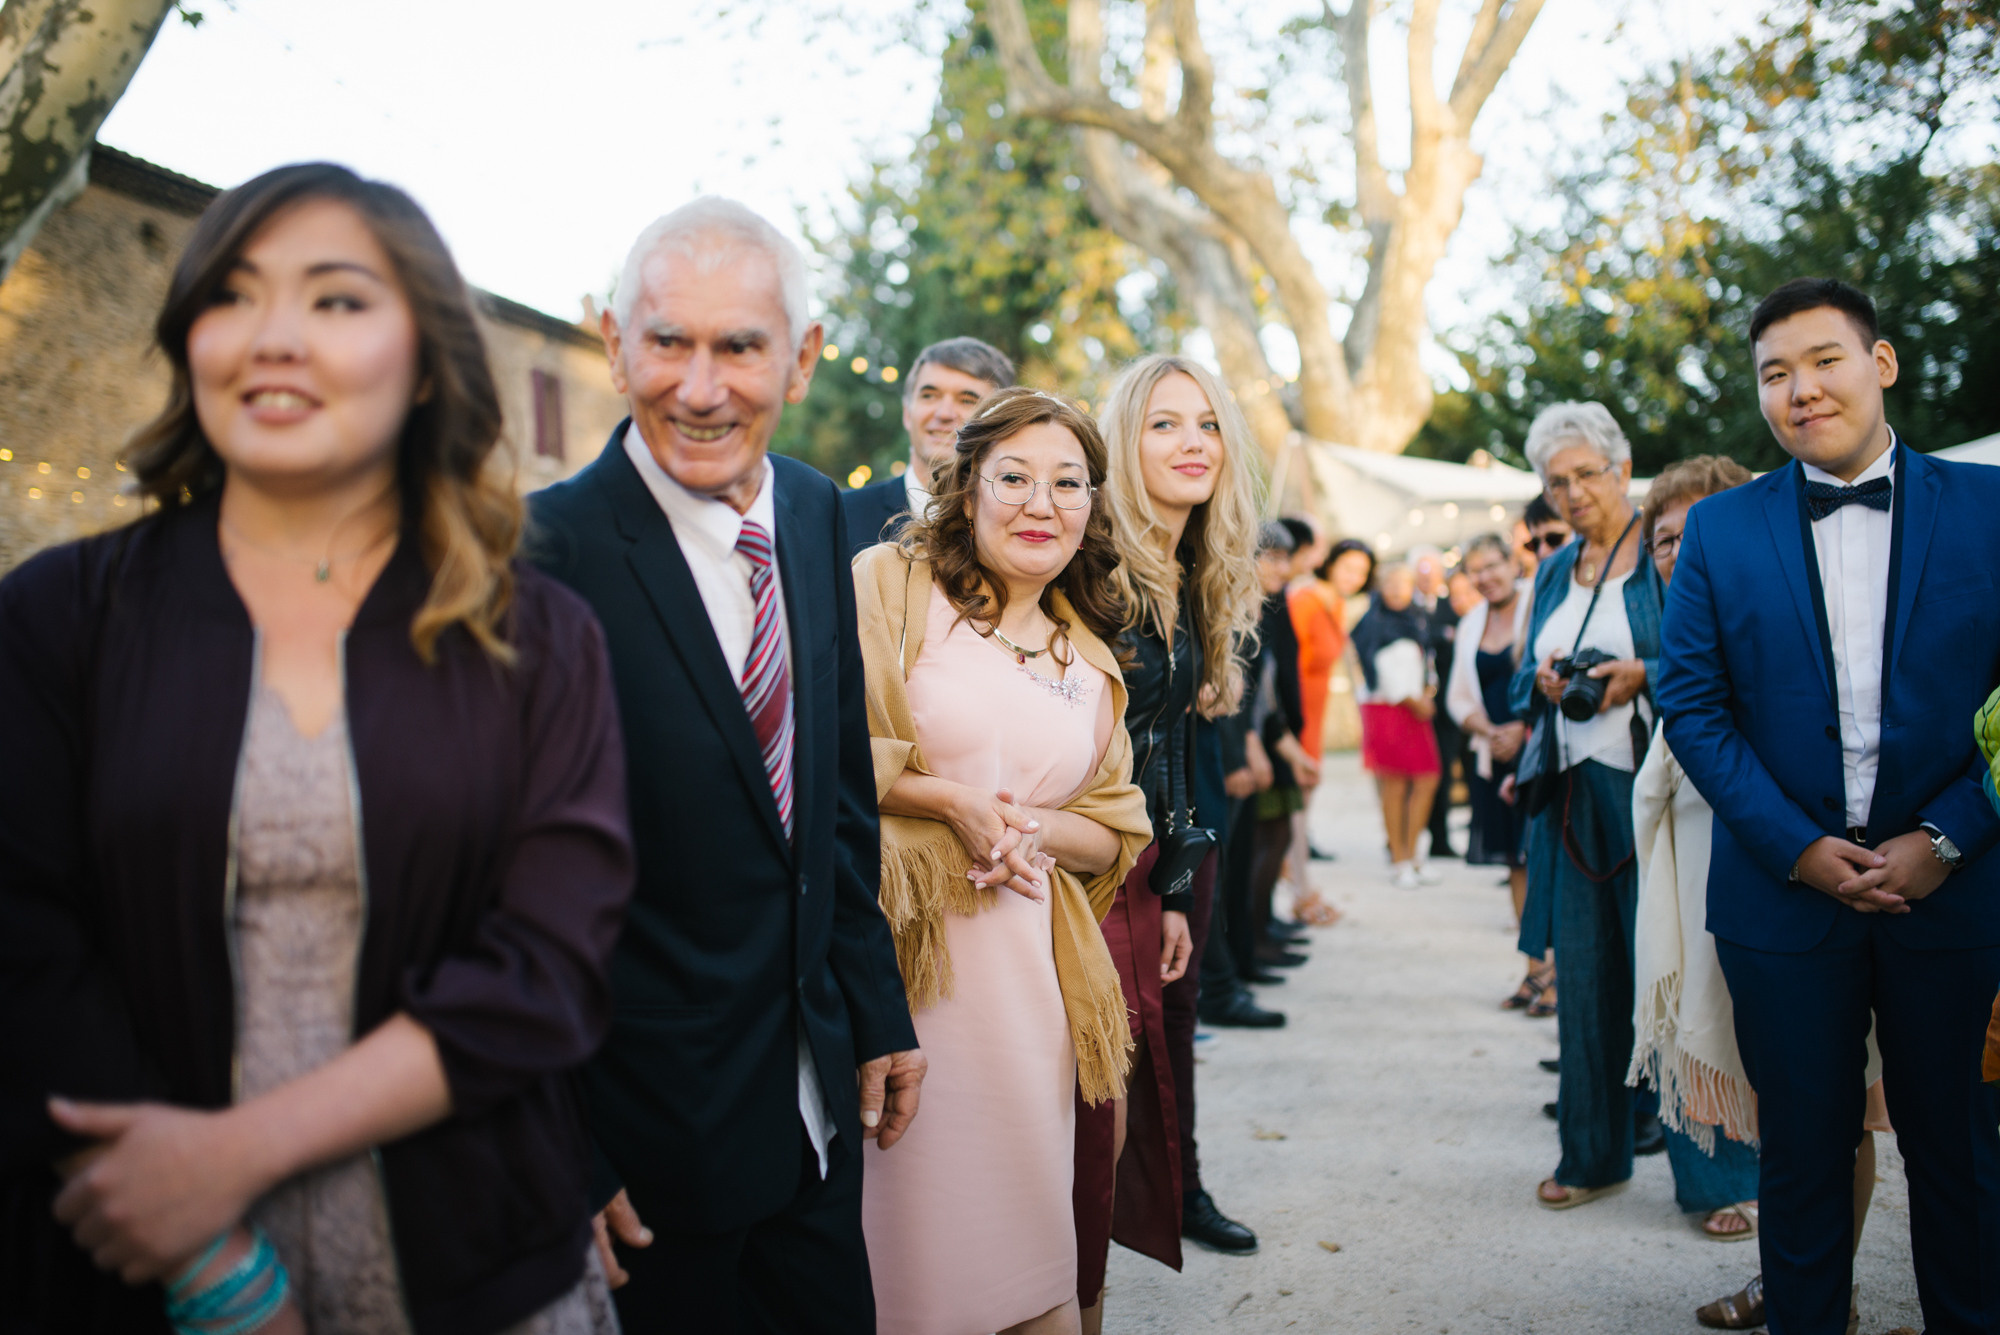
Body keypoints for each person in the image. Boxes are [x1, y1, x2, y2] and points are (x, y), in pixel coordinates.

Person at [1, 163, 633, 1334]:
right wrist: (212, 1264)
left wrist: (237, 1153)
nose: (275, 336)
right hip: (140, 1270)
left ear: (429, 356)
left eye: (336, 300)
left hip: (481, 1265)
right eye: (233, 296)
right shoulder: (57, 619)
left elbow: (547, 965)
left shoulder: (537, 638)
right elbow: (21, 953)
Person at [529, 198, 923, 1333]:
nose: (700, 390)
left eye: (739, 347)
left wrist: (877, 1010)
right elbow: (481, 895)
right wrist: (562, 1146)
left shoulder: (810, 512)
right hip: (642, 1160)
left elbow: (836, 803)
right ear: (612, 344)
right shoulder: (532, 560)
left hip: (814, 1121)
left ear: (798, 359)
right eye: (667, 342)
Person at [1659, 277, 2000, 1335]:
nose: (1798, 389)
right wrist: (1795, 846)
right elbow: (1690, 703)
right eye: (1773, 374)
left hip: (1949, 892)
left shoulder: (1989, 508)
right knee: (1801, 1158)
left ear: (1880, 362)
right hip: (1778, 902)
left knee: (1955, 1152)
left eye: (1822, 361)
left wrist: (1946, 835)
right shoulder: (1718, 531)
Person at [851, 387, 1151, 1335]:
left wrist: (1024, 828)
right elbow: (832, 748)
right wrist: (952, 803)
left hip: (1030, 983)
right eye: (1013, 477)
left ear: (1091, 508)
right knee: (908, 1251)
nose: (1040, 503)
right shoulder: (893, 586)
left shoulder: (1090, 656)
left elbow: (1112, 828)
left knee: (1030, 1259)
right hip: (905, 967)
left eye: (1067, 483)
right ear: (967, 487)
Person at [1638, 455, 1893, 1333]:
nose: (1683, 549)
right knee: (1777, 1107)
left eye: (1698, 528)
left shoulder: (1806, 603)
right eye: (1667, 536)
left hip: (1809, 880)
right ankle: (1794, 1282)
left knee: (1835, 1104)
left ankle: (1828, 1289)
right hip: (1721, 892)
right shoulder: (1676, 628)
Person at [1093, 355, 1265, 1305]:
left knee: (1177, 1023)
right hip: (1097, 853)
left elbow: (1175, 737)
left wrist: (1178, 869)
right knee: (1109, 1050)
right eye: (1164, 423)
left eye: (1205, 423)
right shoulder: (1098, 562)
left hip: (1168, 842)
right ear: (1125, 439)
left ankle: (1184, 1185)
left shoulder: (1189, 559)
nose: (1192, 441)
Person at [1507, 401, 1662, 1213]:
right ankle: (1593, 1153)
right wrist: (1539, 683)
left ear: (1623, 469)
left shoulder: (1670, 552)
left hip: (1655, 793)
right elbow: (1515, 678)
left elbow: (1716, 662)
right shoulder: (1552, 568)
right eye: (1554, 482)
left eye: (1583, 476)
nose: (1569, 494)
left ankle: (1720, 1174)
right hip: (1569, 797)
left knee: (1672, 978)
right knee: (1588, 981)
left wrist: (1644, 675)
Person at [1444, 533, 1544, 1010]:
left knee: (1545, 859)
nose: (1485, 577)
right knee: (1514, 862)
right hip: (1494, 755)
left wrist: (1522, 728)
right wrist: (1491, 731)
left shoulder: (1538, 603)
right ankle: (1533, 971)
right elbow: (1457, 697)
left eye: (1492, 566)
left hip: (1540, 753)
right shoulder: (1470, 624)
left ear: (1512, 563)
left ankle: (1560, 972)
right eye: (1475, 570)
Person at [841, 337, 1014, 561]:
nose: (944, 413)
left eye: (967, 400)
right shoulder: (844, 514)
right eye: (929, 396)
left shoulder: (1014, 523)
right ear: (907, 412)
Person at [1290, 536, 1375, 908]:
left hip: (1316, 708)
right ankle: (1299, 887)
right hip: (1297, 711)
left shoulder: (1336, 604)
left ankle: (1298, 884)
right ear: (1331, 564)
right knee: (1297, 796)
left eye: (1362, 572)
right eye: (1349, 568)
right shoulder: (1306, 601)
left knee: (1304, 796)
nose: (1355, 577)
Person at [1352, 562, 1442, 888]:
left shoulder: (1415, 619)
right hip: (1389, 709)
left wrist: (1427, 693)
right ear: (1379, 586)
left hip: (1416, 707)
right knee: (1395, 785)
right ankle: (1400, 859)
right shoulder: (1372, 622)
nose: (1396, 590)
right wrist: (1416, 700)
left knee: (1426, 779)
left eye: (1402, 583)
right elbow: (1380, 671)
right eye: (1389, 583)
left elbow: (1423, 663)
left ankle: (1413, 856)